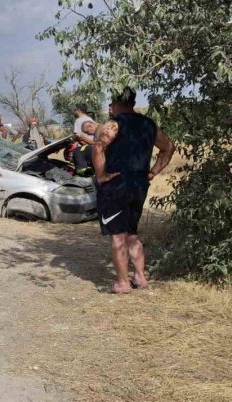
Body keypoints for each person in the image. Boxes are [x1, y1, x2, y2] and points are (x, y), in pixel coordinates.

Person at [94, 87, 175, 294]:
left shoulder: (114, 124)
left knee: (118, 235)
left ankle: (123, 283)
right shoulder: (149, 124)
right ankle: (139, 276)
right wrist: (153, 172)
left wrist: (101, 176)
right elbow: (168, 147)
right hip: (139, 184)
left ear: (116, 103)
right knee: (131, 234)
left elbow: (98, 147)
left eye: (111, 103)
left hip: (117, 184)